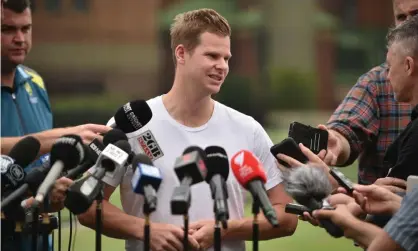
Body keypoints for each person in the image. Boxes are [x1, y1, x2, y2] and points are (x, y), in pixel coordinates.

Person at [78, 8, 297, 251]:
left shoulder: (248, 129)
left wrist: (225, 229)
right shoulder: (131, 123)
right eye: (212, 56)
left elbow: (286, 217)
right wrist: (146, 230)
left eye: (226, 58)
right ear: (181, 53)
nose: (222, 66)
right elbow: (87, 206)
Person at [1, 0, 110, 250]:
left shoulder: (35, 82)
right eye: (7, 29)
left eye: (25, 29)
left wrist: (56, 182)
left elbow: (43, 162)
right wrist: (64, 135)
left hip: (39, 236)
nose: (19, 38)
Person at [320, 0, 418, 188]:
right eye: (401, 17)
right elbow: (347, 127)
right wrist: (335, 142)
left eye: (416, 15)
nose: (408, 24)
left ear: (409, 66)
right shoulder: (378, 82)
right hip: (378, 216)